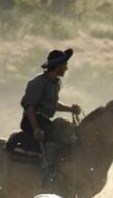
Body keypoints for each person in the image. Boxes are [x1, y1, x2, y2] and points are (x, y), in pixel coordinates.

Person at [20, 49, 81, 185]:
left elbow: (52, 104)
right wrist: (36, 128)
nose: (66, 68)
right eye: (65, 64)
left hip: (44, 121)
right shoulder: (38, 82)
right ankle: (49, 172)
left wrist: (70, 109)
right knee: (54, 137)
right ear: (58, 66)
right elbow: (29, 106)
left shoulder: (55, 83)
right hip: (32, 120)